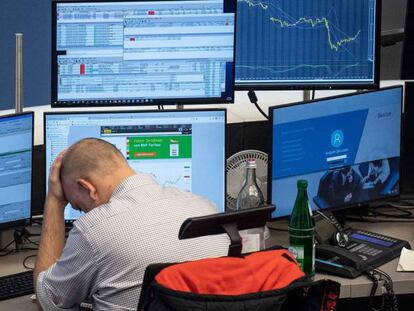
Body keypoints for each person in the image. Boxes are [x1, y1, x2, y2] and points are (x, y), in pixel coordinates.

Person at [34, 138, 229, 310]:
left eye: (79, 207)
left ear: (87, 188)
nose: (84, 213)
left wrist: (55, 201)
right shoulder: (206, 207)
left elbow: (49, 300)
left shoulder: (94, 229)